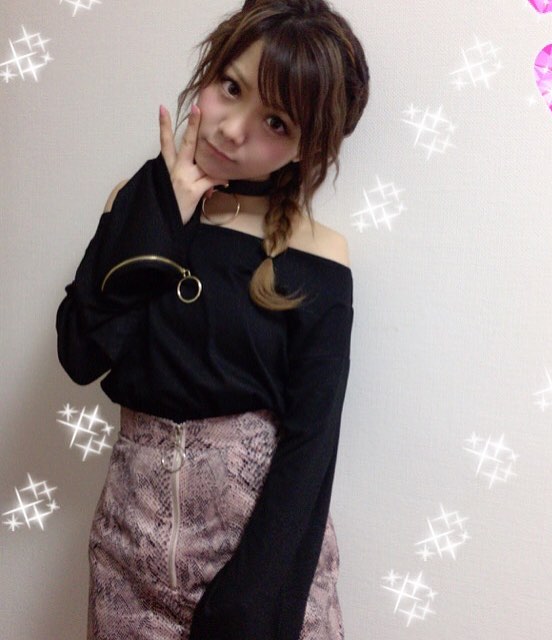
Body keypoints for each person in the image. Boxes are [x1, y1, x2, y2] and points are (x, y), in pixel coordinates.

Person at [55, 0, 369, 638]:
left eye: (275, 121)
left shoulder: (318, 254)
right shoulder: (136, 203)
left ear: (306, 147)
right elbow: (80, 353)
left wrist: (251, 604)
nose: (232, 129)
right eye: (231, 87)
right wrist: (163, 219)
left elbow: (312, 444)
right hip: (127, 553)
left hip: (258, 562)